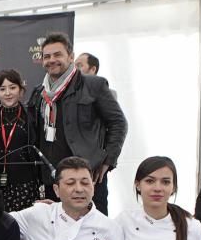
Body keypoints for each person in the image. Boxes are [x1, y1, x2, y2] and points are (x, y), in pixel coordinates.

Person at [28, 33, 127, 214]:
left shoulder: (93, 85)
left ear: (71, 57)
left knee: (93, 233)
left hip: (88, 177)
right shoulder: (38, 93)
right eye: (47, 56)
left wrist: (108, 160)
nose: (51, 60)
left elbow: (118, 123)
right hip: (54, 179)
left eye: (57, 55)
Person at [0, 69, 43, 212]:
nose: (7, 93)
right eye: (2, 89)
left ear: (21, 90)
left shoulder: (32, 115)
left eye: (12, 87)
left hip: (26, 185)